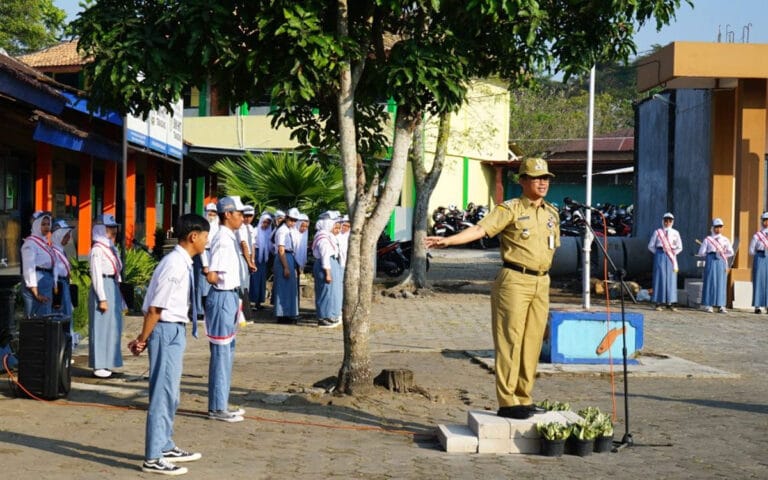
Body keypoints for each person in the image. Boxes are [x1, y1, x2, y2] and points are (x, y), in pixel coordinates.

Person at [425, 157, 560, 420]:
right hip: (515, 279)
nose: (542, 182)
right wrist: (449, 241)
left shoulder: (551, 213)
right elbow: (480, 229)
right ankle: (508, 400)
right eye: (536, 177)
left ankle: (524, 396)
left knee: (533, 341)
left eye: (546, 178)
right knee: (510, 340)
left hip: (542, 281)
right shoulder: (509, 209)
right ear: (522, 181)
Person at [128, 214, 208, 476]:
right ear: (193, 236)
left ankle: (165, 444)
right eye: (205, 236)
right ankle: (152, 457)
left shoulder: (181, 262)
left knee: (171, 393)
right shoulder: (174, 264)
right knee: (162, 394)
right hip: (165, 330)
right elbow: (155, 308)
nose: (207, 242)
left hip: (174, 329)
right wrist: (142, 339)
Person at [204, 196, 247, 422]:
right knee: (221, 353)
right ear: (227, 214)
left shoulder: (230, 237)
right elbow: (212, 275)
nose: (242, 218)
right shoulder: (221, 238)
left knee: (228, 351)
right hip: (222, 296)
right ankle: (217, 407)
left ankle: (221, 401)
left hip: (230, 296)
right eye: (238, 213)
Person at [88, 214, 124, 378]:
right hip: (102, 286)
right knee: (101, 326)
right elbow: (96, 274)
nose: (113, 230)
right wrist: (102, 298)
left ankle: (109, 361)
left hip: (112, 285)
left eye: (114, 227)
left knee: (113, 326)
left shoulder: (110, 247)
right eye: (109, 228)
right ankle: (99, 364)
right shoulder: (97, 249)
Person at [20, 211, 55, 318]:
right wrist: (35, 291)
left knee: (45, 313)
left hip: (45, 279)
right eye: (43, 224)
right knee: (37, 318)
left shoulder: (43, 241)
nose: (47, 227)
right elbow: (28, 267)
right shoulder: (31, 243)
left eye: (48, 224)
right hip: (37, 280)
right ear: (36, 225)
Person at [50, 219, 78, 346]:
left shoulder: (61, 251)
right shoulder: (53, 252)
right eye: (66, 234)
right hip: (59, 287)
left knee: (67, 315)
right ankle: (61, 346)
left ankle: (67, 345)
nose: (69, 237)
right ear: (58, 235)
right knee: (61, 315)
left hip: (64, 285)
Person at [697, 217, 734, 313]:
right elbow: (701, 252)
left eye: (720, 227)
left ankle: (721, 305)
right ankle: (708, 304)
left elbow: (731, 252)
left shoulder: (725, 240)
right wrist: (711, 253)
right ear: (713, 228)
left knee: (721, 282)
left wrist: (722, 253)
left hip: (721, 261)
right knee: (710, 281)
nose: (718, 229)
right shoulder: (708, 239)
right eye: (716, 227)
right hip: (711, 260)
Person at [647, 212, 683, 311]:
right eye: (666, 221)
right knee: (659, 277)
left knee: (671, 279)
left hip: (671, 256)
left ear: (672, 222)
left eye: (669, 221)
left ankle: (670, 302)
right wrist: (659, 253)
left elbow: (680, 247)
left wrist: (673, 253)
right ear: (663, 221)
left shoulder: (676, 233)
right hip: (660, 254)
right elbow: (651, 246)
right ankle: (658, 302)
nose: (667, 223)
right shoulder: (658, 232)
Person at [312, 218, 342, 328]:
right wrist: (328, 273)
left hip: (329, 264)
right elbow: (325, 257)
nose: (337, 230)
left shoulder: (328, 237)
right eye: (335, 227)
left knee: (329, 292)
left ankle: (328, 315)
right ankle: (322, 317)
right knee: (324, 291)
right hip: (324, 266)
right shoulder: (323, 239)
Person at [273, 208, 300, 324]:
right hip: (283, 258)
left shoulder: (289, 230)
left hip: (289, 256)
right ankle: (282, 314)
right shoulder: (282, 231)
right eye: (291, 220)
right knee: (283, 287)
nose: (293, 222)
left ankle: (288, 312)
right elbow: (281, 249)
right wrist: (286, 267)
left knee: (289, 288)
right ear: (286, 219)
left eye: (295, 220)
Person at [194, 202, 219, 319]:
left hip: (213, 254)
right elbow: (202, 246)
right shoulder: (201, 226)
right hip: (202, 253)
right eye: (210, 212)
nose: (212, 215)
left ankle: (208, 309)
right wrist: (205, 264)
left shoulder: (217, 226)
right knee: (200, 284)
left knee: (210, 284)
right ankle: (199, 311)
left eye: (214, 213)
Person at [238, 205, 257, 321]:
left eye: (250, 216)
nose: (248, 218)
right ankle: (242, 313)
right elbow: (244, 244)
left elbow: (252, 245)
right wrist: (249, 262)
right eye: (246, 216)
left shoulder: (249, 228)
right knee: (241, 286)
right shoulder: (240, 228)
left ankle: (244, 312)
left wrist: (252, 260)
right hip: (241, 257)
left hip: (248, 257)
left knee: (246, 286)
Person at [251, 212, 273, 310]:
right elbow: (252, 245)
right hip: (256, 255)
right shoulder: (256, 230)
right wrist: (252, 259)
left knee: (262, 280)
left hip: (264, 257)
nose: (266, 225)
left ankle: (259, 302)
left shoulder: (269, 232)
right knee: (254, 279)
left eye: (268, 223)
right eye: (264, 222)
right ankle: (252, 301)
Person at [748, 212, 768, 313]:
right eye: (765, 220)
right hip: (760, 257)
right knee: (759, 281)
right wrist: (760, 252)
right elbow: (751, 250)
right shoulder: (757, 235)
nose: (766, 222)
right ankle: (758, 306)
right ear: (762, 221)